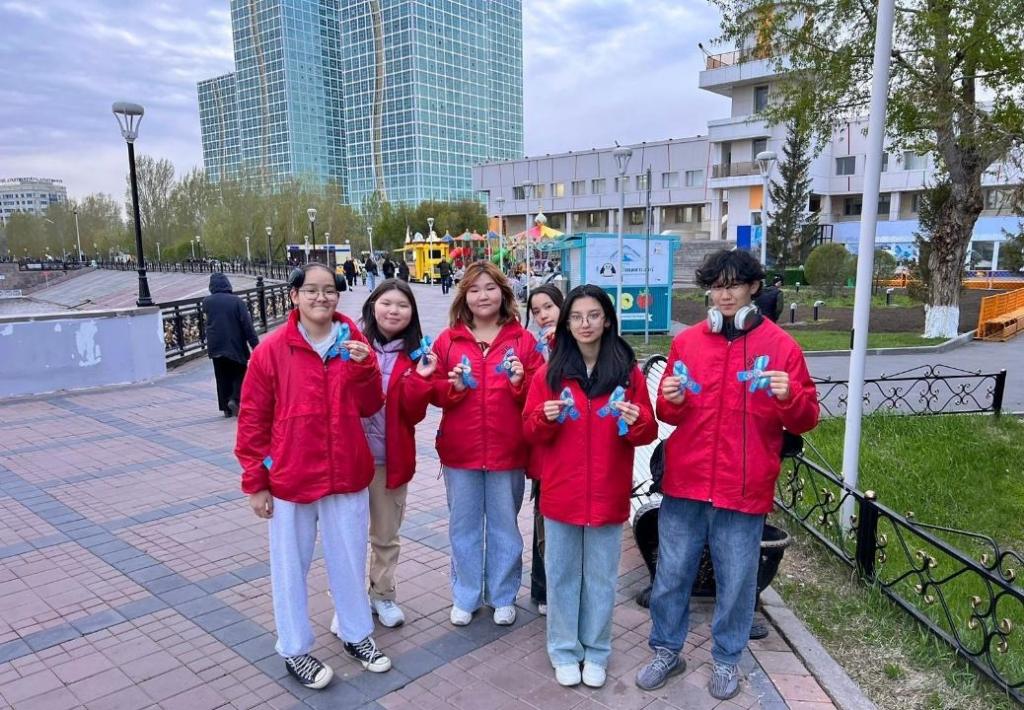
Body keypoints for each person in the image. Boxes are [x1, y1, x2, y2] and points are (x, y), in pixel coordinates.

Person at [636, 249, 819, 700]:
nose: (725, 294)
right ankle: (666, 650)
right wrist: (672, 398)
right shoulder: (688, 343)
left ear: (753, 287)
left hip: (744, 487)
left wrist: (789, 397)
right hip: (686, 481)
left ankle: (726, 659)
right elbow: (668, 414)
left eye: (734, 284)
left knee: (736, 582)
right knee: (671, 574)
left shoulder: (782, 348)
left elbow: (805, 419)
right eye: (717, 286)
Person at [235, 263, 393, 690]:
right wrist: (255, 481)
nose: (321, 297)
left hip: (346, 472)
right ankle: (294, 647)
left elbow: (370, 405)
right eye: (312, 290)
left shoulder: (353, 341)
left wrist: (365, 368)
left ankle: (356, 634)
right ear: (294, 296)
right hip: (291, 476)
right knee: (290, 567)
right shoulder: (271, 350)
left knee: (349, 559)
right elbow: (252, 418)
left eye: (329, 290)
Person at [524, 285, 657, 688]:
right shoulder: (549, 374)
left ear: (608, 321)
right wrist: (545, 417)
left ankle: (596, 651)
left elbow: (647, 430)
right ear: (566, 323)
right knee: (562, 576)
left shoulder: (627, 373)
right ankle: (564, 650)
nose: (585, 324)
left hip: (607, 492)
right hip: (561, 493)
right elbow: (530, 430)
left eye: (594, 315)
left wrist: (636, 419)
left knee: (600, 579)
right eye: (577, 316)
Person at [429, 260, 544, 627]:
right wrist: (452, 387)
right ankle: (465, 594)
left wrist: (520, 382)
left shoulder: (523, 341)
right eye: (475, 289)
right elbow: (433, 389)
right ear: (464, 295)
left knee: (504, 527)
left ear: (503, 293)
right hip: (460, 452)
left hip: (508, 451)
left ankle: (503, 595)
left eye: (490, 288)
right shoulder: (448, 340)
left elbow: (539, 392)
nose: (483, 296)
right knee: (462, 527)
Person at [329, 278, 435, 630]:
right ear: (372, 305)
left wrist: (421, 378)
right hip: (349, 459)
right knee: (347, 537)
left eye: (402, 305)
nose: (393, 311)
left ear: (412, 313)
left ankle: (382, 594)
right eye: (386, 303)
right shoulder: (349, 345)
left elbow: (414, 414)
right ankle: (347, 601)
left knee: (386, 536)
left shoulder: (417, 355)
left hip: (391, 460)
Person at [523, 284, 564, 616]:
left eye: (548, 307)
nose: (543, 315)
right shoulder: (537, 349)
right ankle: (543, 590)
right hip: (545, 455)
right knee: (544, 527)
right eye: (536, 311)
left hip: (572, 454)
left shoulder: (579, 344)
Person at [202, 273, 260, 418]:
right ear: (227, 284)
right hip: (234, 344)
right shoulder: (236, 301)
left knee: (221, 375)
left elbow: (207, 322)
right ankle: (235, 399)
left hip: (215, 345)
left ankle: (225, 407)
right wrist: (256, 345)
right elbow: (247, 325)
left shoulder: (207, 302)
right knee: (241, 372)